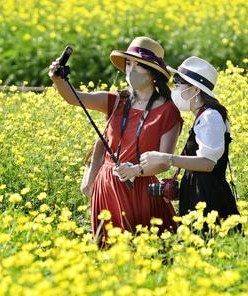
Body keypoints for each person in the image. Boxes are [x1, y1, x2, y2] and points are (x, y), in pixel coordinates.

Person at [49, 36, 182, 249]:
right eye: (128, 64)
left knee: (151, 253)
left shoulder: (169, 111)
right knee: (110, 254)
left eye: (139, 66)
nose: (131, 70)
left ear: (153, 74)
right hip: (107, 184)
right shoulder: (115, 100)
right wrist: (58, 79)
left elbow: (165, 161)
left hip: (141, 188)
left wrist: (135, 171)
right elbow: (75, 98)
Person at [139, 56, 240, 231]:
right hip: (200, 195)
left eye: (178, 84)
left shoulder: (211, 116)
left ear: (194, 89)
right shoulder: (204, 116)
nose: (175, 90)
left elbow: (207, 164)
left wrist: (165, 158)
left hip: (210, 200)